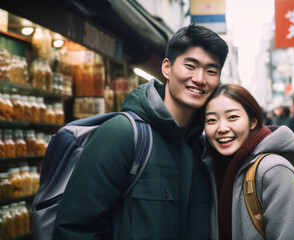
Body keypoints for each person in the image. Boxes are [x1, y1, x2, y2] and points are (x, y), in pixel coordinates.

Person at [53, 23, 228, 240]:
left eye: (211, 71)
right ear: (167, 68)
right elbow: (75, 229)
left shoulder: (203, 149)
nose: (200, 79)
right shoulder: (122, 134)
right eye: (190, 66)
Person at [202, 84, 294, 239]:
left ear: (253, 122)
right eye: (212, 120)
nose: (222, 128)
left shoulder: (273, 170)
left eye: (232, 117)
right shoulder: (213, 167)